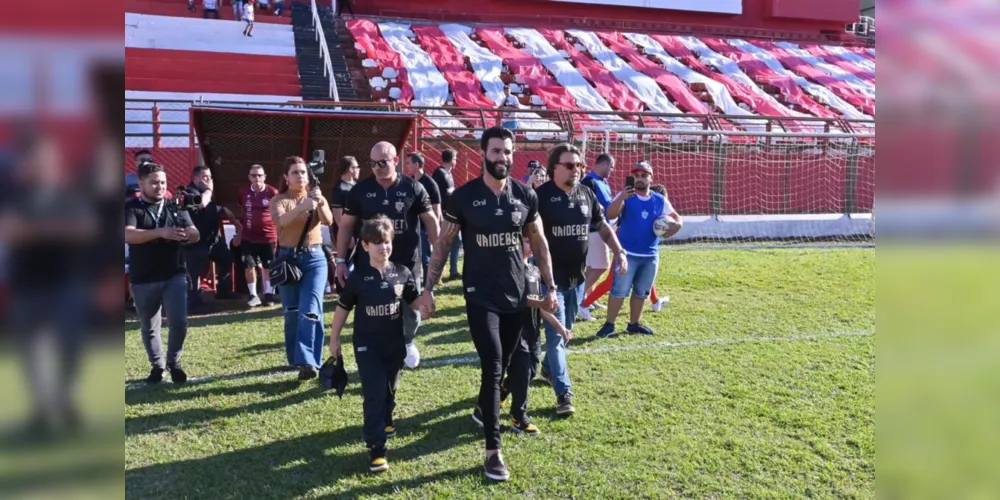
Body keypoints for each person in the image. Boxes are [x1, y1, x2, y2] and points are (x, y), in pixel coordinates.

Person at [420, 126, 557, 482]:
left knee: (508, 363)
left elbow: (539, 243)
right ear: (484, 153)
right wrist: (428, 288)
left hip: (516, 296)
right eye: (496, 151)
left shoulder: (526, 195)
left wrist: (551, 286)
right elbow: (443, 245)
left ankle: (484, 407)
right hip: (480, 296)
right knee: (493, 365)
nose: (503, 157)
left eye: (508, 151)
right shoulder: (463, 197)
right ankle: (493, 452)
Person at [532, 143, 627, 415]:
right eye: (570, 165)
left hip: (577, 279)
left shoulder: (586, 194)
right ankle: (564, 394)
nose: (576, 170)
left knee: (566, 330)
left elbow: (602, 225)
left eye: (579, 166)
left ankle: (549, 369)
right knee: (556, 336)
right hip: (549, 281)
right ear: (554, 168)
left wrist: (619, 251)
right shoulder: (540, 197)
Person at [328, 216, 422, 473]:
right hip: (367, 346)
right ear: (365, 245)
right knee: (374, 393)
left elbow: (414, 302)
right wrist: (334, 339)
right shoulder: (358, 278)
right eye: (377, 243)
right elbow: (342, 309)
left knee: (390, 391)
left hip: (394, 345)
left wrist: (427, 304)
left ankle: (387, 418)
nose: (384, 247)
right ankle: (376, 449)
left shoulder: (402, 273)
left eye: (387, 242)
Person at [335, 141, 439, 370]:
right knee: (374, 311)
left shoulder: (414, 188)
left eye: (382, 162)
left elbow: (431, 222)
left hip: (408, 263)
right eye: (372, 163)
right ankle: (377, 350)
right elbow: (345, 226)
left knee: (412, 312)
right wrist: (341, 261)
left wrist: (436, 255)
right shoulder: (360, 191)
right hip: (371, 265)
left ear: (395, 160)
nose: (377, 167)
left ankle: (408, 340)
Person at [125, 162, 201, 385]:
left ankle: (174, 362)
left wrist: (187, 234)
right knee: (149, 327)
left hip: (174, 273)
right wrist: (161, 232)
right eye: (154, 182)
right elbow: (128, 235)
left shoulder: (174, 205)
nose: (160, 187)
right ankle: (157, 366)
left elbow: (195, 233)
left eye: (163, 182)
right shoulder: (131, 207)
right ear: (141, 184)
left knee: (179, 321)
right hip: (143, 276)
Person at [594, 161, 682, 338]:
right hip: (627, 254)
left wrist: (678, 225)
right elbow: (610, 214)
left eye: (644, 175)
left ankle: (634, 324)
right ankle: (609, 324)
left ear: (651, 177)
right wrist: (621, 198)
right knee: (619, 290)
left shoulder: (659, 199)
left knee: (642, 291)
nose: (640, 178)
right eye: (637, 175)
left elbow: (675, 216)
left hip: (650, 254)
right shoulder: (626, 196)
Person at [270, 156, 335, 380]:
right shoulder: (279, 200)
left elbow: (328, 221)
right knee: (292, 312)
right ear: (286, 177)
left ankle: (308, 361)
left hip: (315, 258)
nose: (300, 176)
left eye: (303, 172)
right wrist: (303, 206)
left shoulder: (315, 197)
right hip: (288, 260)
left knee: (311, 309)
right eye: (295, 172)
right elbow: (281, 222)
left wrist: (321, 202)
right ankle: (296, 358)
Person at [499, 235, 570, 436]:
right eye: (526, 240)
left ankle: (504, 387)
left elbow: (541, 305)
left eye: (532, 241)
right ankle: (518, 417)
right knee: (522, 373)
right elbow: (518, 299)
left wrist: (559, 327)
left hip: (532, 332)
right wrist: (541, 303)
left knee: (530, 372)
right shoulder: (509, 269)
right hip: (514, 330)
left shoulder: (535, 270)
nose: (530, 245)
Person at [184, 166, 240, 312]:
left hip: (213, 240)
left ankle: (223, 291)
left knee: (226, 258)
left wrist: (226, 212)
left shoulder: (207, 193)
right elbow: (201, 204)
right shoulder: (188, 192)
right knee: (194, 272)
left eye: (210, 177)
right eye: (205, 177)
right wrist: (209, 190)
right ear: (195, 179)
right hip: (195, 242)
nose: (209, 180)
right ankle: (194, 303)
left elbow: (211, 207)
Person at [579, 153, 616, 320]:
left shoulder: (603, 182)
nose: (612, 170)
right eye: (611, 166)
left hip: (601, 228)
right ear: (602, 164)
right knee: (601, 266)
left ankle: (587, 297)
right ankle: (580, 301)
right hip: (594, 229)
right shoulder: (589, 181)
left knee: (592, 266)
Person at [236, 164, 279, 307]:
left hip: (268, 236)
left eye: (260, 175)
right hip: (248, 236)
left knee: (268, 266)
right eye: (253, 175)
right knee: (249, 265)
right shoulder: (243, 192)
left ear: (264, 177)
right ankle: (253, 295)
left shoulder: (272, 192)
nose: (257, 178)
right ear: (249, 177)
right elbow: (241, 209)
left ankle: (268, 294)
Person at [403, 152, 442, 281]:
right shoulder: (409, 182)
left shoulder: (430, 183)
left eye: (408, 163)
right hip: (413, 227)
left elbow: (437, 209)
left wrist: (434, 231)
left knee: (425, 257)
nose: (406, 166)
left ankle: (428, 283)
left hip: (425, 229)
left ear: (417, 164)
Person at [329, 155, 360, 292]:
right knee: (344, 260)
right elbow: (337, 215)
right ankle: (343, 290)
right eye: (356, 166)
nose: (359, 169)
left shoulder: (356, 186)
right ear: (350, 169)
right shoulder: (339, 189)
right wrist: (348, 235)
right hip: (346, 232)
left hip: (360, 230)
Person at [431, 149, 461, 280]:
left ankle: (453, 271)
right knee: (443, 245)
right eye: (455, 159)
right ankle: (438, 273)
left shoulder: (448, 173)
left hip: (452, 214)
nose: (456, 162)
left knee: (457, 241)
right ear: (451, 160)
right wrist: (440, 215)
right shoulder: (439, 173)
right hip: (444, 215)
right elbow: (435, 196)